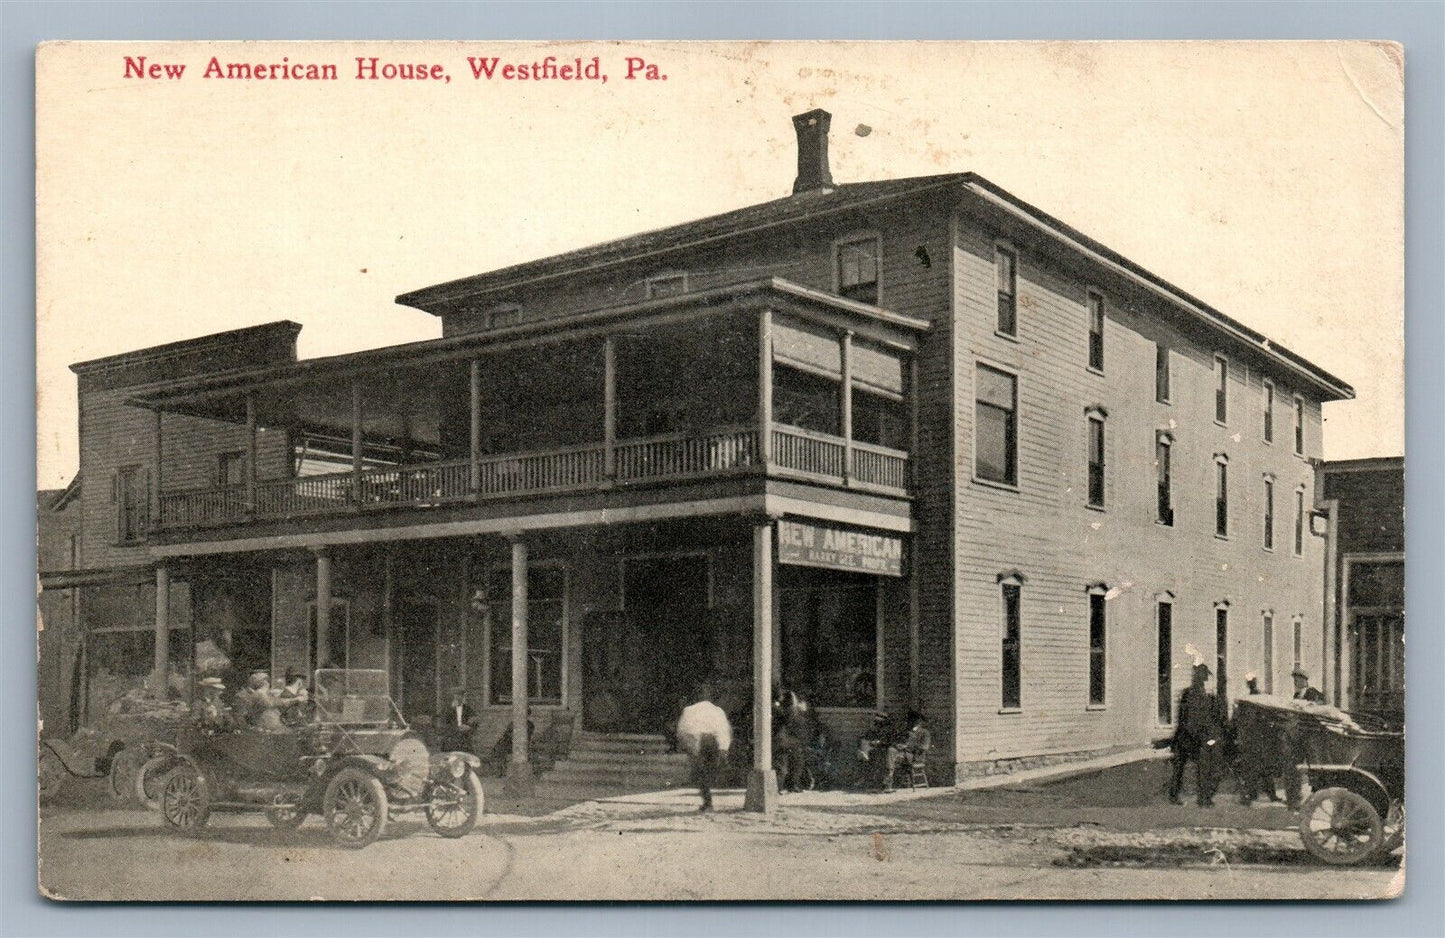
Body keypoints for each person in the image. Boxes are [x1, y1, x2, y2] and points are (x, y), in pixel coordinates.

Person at [1168, 663, 1226, 807]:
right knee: (1190, 768)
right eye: (1203, 676)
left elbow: (1208, 718)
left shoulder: (1204, 695)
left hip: (1194, 737)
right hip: (1189, 737)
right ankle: (1191, 797)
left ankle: (1201, 797)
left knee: (1199, 768)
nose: (1204, 679)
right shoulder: (1192, 694)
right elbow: (1186, 717)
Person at [676, 683, 732, 812]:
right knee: (706, 772)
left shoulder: (689, 710)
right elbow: (723, 729)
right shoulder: (717, 710)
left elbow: (684, 729)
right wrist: (724, 748)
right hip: (713, 742)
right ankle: (708, 801)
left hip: (700, 741)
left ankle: (707, 801)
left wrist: (691, 746)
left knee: (701, 773)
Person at [884, 710, 931, 792]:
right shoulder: (906, 731)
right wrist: (897, 745)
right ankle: (888, 781)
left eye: (913, 720)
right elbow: (899, 741)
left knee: (890, 756)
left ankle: (888, 783)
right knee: (890, 750)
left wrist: (907, 747)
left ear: (919, 721)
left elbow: (924, 747)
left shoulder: (924, 733)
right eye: (910, 720)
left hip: (915, 756)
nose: (910, 722)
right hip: (904, 755)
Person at [438, 687, 478, 753]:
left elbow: (474, 721)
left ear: (463, 697)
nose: (458, 698)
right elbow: (443, 723)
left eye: (460, 695)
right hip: (451, 739)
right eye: (456, 695)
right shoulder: (447, 709)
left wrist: (468, 727)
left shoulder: (468, 709)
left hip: (464, 739)